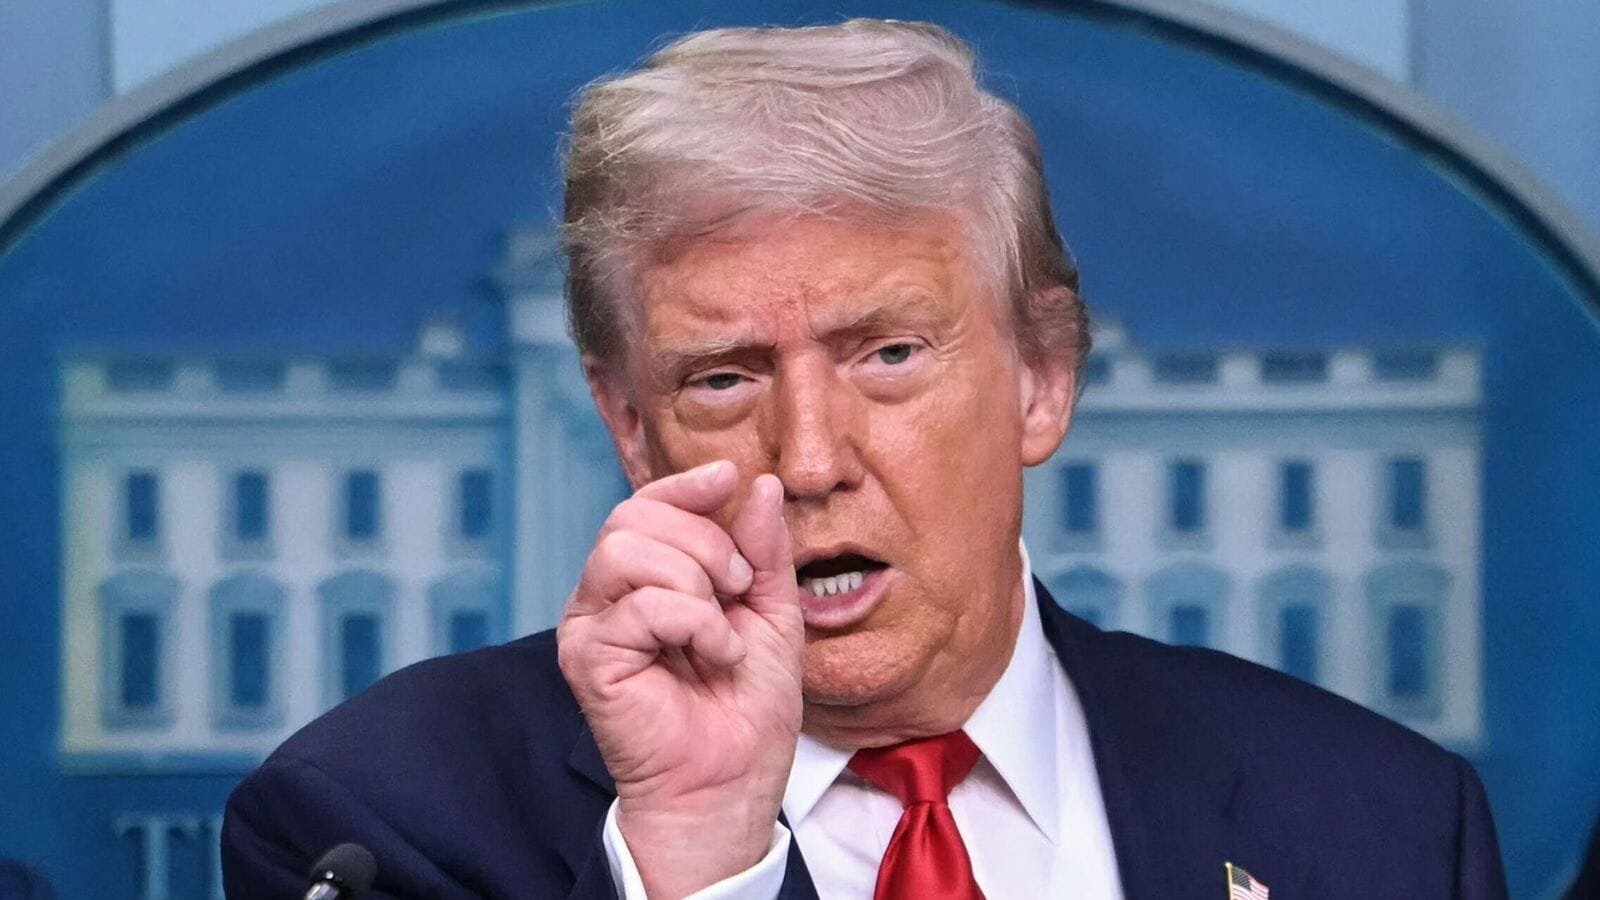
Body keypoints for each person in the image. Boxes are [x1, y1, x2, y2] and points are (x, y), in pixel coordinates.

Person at [222, 19, 1507, 899]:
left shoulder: (1378, 825)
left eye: (888, 354)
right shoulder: (379, 824)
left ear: (1042, 379)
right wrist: (701, 866)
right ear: (627, 425)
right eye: (723, 378)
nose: (810, 457)